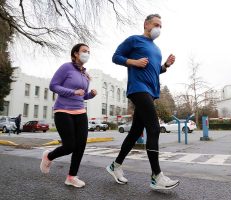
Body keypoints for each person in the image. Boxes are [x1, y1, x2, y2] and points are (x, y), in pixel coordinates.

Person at [106, 14, 179, 190]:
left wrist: (166, 66)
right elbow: (115, 57)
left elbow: (154, 71)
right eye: (156, 24)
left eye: (161, 26)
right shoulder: (134, 40)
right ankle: (156, 176)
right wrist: (133, 62)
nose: (158, 29)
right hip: (138, 89)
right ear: (146, 25)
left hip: (151, 91)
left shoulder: (157, 49)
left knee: (135, 132)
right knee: (153, 127)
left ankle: (115, 165)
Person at [40, 43, 97, 188]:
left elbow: (81, 96)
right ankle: (49, 156)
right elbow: (53, 86)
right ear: (75, 54)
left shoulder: (85, 74)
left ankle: (72, 177)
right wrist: (72, 92)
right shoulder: (66, 67)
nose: (87, 53)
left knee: (81, 145)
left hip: (80, 111)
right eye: (84, 51)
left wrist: (90, 95)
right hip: (63, 110)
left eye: (89, 52)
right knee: (70, 146)